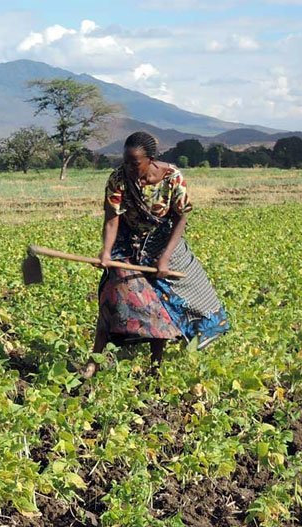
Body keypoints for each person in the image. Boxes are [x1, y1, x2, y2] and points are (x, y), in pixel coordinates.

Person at [86, 131, 230, 377]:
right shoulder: (118, 179)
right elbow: (112, 220)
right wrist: (106, 252)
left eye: (135, 163)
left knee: (176, 299)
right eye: (126, 161)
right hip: (128, 242)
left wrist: (164, 257)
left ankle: (156, 365)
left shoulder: (173, 178)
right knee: (111, 296)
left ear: (151, 159)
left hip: (163, 241)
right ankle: (93, 363)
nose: (130, 168)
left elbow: (180, 218)